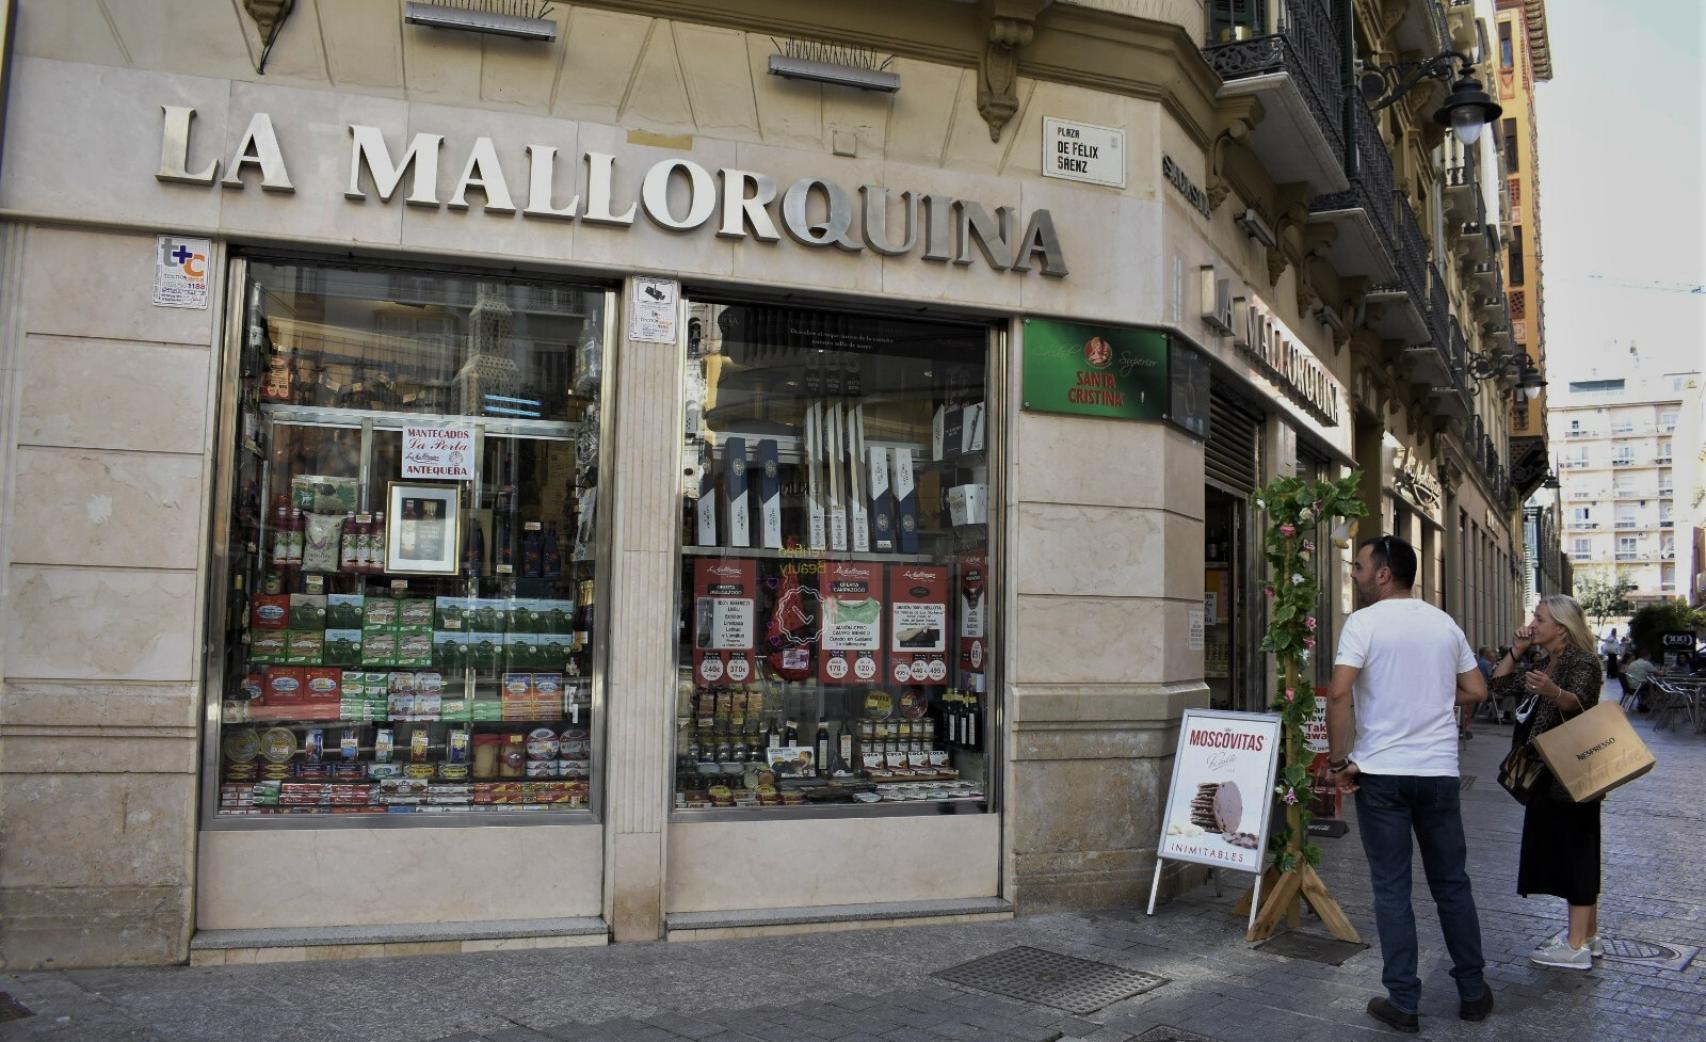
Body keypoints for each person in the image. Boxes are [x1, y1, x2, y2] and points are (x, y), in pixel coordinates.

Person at [1327, 535, 1492, 1033]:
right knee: (1452, 884)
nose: (1354, 575)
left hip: (1382, 776)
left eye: (1358, 567)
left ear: (1382, 573)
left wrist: (1338, 764)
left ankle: (1404, 1000)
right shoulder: (1443, 624)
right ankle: (1473, 992)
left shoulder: (1363, 623)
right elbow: (1478, 690)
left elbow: (1338, 695)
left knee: (1392, 888)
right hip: (1438, 773)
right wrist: (1433, 699)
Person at [1487, 595, 1605, 971]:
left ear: (1561, 627)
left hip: (1571, 772)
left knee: (1578, 853)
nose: (1532, 624)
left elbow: (1581, 703)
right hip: (1545, 773)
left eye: (1539, 619)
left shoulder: (1583, 662)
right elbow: (1500, 685)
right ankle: (1588, 936)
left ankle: (1575, 948)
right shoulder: (1543, 660)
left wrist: (1553, 692)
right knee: (1569, 850)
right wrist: (1516, 650)